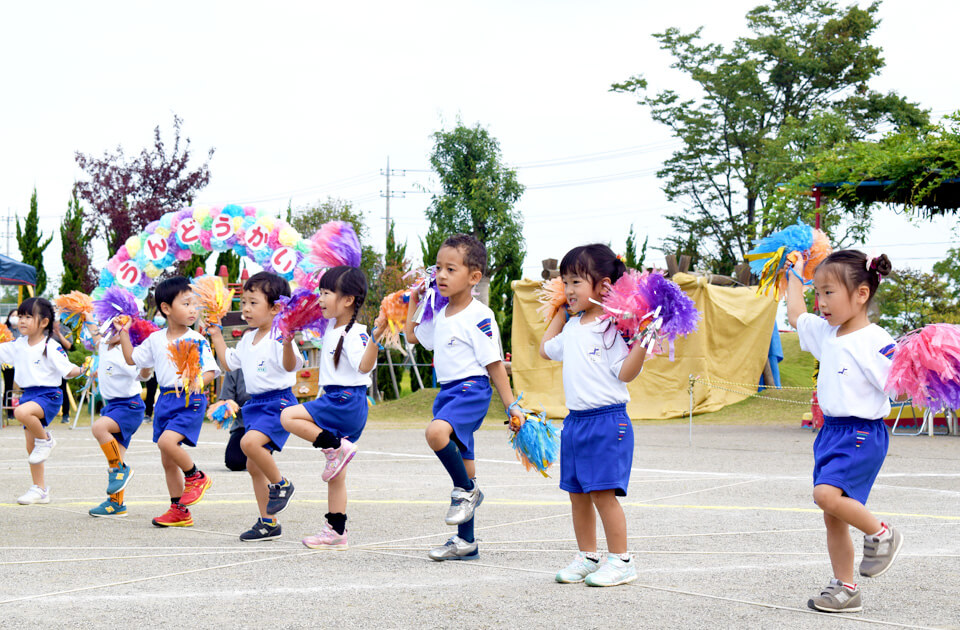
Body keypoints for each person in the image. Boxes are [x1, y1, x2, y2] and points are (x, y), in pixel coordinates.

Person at [786, 250, 903, 613]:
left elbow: (897, 386)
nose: (820, 302)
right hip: (832, 432)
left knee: (825, 494)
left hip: (862, 433)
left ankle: (883, 533)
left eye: (829, 293)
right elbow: (795, 314)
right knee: (832, 514)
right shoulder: (827, 333)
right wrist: (794, 274)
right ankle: (845, 587)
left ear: (861, 294)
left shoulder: (874, 339)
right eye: (817, 292)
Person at [405, 234, 523, 561]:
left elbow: (494, 364)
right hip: (448, 392)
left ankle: (469, 493)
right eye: (438, 268)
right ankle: (466, 542)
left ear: (473, 277)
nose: (441, 275)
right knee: (466, 464)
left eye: (450, 269)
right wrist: (415, 301)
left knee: (435, 433)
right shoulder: (440, 314)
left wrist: (511, 403)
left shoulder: (479, 315)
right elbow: (413, 336)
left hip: (471, 390)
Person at [539, 244, 649, 587]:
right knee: (577, 493)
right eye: (564, 282)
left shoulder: (610, 326)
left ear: (602, 286)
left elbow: (625, 373)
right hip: (575, 422)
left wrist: (643, 343)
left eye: (575, 282)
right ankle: (587, 555)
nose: (568, 290)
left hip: (607, 420)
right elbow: (545, 349)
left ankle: (621, 560)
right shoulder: (572, 327)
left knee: (603, 494)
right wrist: (560, 309)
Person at [281, 265, 382, 549]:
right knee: (336, 475)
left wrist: (375, 338)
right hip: (345, 402)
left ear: (348, 299)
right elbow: (308, 307)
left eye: (327, 293)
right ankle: (336, 532)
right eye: (320, 291)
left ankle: (334, 445)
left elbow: (364, 367)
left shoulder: (356, 333)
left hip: (344, 399)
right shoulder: (331, 325)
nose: (320, 298)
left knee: (288, 415)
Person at [208, 272, 304, 541]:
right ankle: (268, 522)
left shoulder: (279, 336)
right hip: (256, 405)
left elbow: (290, 365)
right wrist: (216, 335)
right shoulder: (248, 338)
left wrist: (287, 343)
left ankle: (282, 485)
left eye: (253, 303)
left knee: (248, 443)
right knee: (253, 466)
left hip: (279, 403)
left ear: (275, 307)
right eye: (244, 302)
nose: (246, 309)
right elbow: (228, 362)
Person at [117, 276, 220, 527]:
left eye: (194, 304)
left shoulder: (196, 339)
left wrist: (199, 382)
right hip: (165, 399)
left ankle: (196, 476)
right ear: (166, 308)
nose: (193, 310)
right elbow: (132, 359)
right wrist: (123, 332)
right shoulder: (155, 339)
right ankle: (179, 510)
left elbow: (210, 370)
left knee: (167, 441)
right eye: (186, 304)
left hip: (189, 398)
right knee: (167, 458)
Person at [0, 298, 82, 504]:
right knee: (32, 449)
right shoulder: (18, 345)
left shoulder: (50, 346)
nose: (22, 321)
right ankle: (40, 489)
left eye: (28, 316)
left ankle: (46, 440)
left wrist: (83, 370)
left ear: (44, 322)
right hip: (29, 395)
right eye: (20, 316)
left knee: (20, 412)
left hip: (49, 395)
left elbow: (68, 369)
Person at [85, 322, 151, 517]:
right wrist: (86, 313)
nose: (110, 332)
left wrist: (147, 367)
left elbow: (142, 375)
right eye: (108, 327)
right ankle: (117, 504)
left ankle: (122, 470)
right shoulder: (105, 345)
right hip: (113, 406)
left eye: (118, 329)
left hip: (129, 407)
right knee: (115, 460)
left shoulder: (126, 353)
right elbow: (95, 334)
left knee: (99, 428)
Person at [214, 367, 250, 472]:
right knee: (234, 462)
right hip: (243, 423)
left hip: (265, 419)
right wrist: (228, 406)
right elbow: (227, 398)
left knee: (258, 456)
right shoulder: (235, 367)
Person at [2, 308, 22, 420]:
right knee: (8, 386)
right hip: (8, 363)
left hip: (21, 362)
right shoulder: (4, 330)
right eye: (13, 315)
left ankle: (23, 410)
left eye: (17, 316)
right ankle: (9, 412)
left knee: (23, 386)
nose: (15, 318)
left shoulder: (22, 331)